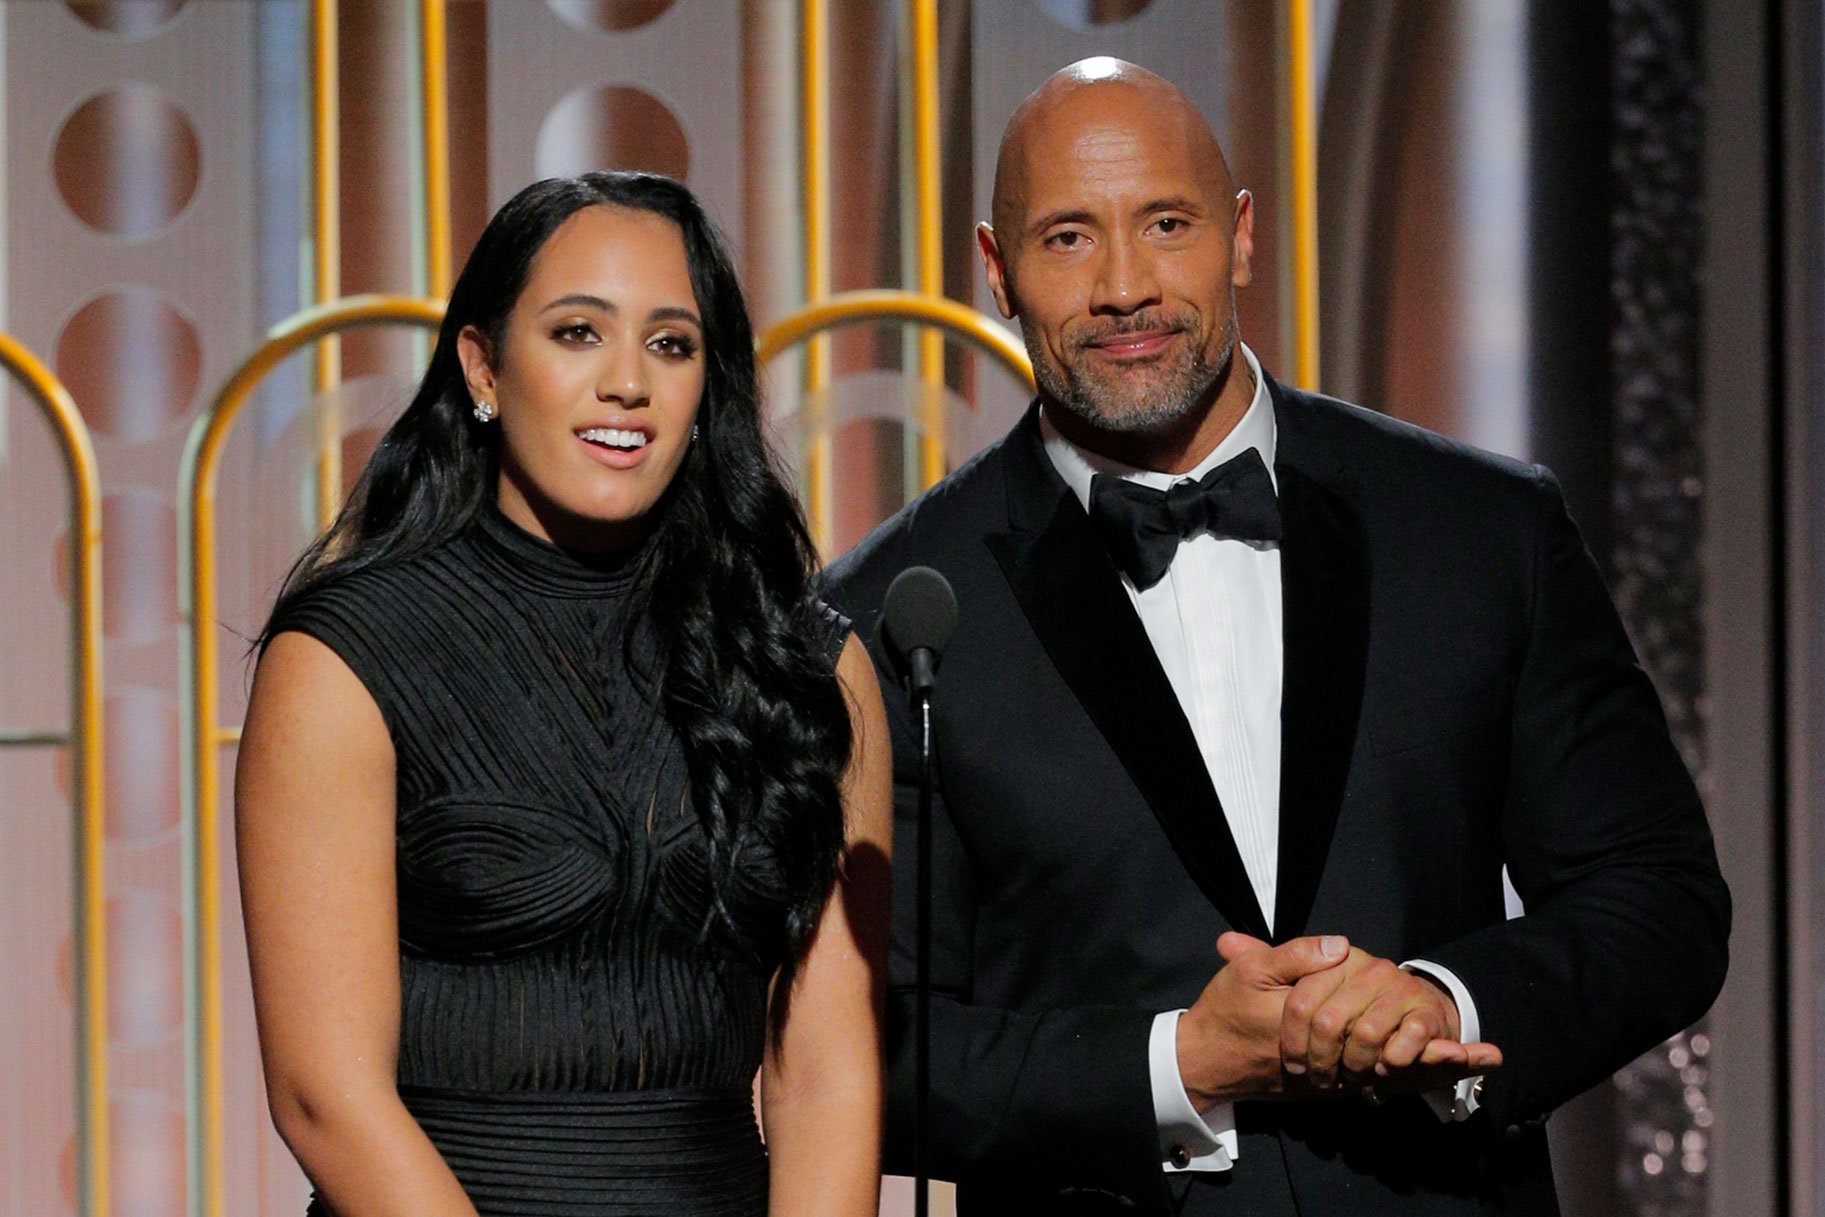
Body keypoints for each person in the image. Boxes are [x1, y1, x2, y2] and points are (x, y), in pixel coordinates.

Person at [822, 58, 1729, 1215]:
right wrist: (1175, 1065)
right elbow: (863, 1054)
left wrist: (1446, 1000)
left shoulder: (1480, 528)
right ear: (997, 269)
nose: (1123, 287)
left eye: (1164, 223)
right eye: (1065, 238)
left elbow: (1658, 898)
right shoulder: (889, 609)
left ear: (1240, 235)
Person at [236, 171, 892, 1217]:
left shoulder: (803, 664)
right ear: (482, 366)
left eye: (670, 344)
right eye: (578, 332)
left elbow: (825, 1076)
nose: (626, 381)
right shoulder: (343, 657)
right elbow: (325, 1094)